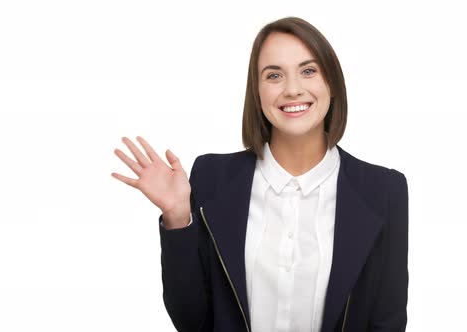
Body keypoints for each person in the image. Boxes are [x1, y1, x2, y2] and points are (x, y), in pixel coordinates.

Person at [112, 16, 408, 332]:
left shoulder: (384, 190)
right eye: (274, 75)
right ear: (257, 91)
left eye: (308, 71)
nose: (293, 89)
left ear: (331, 83)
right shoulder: (212, 177)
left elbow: (387, 320)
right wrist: (177, 217)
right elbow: (192, 320)